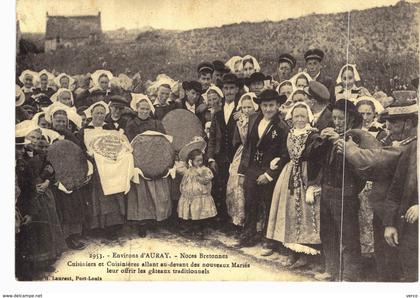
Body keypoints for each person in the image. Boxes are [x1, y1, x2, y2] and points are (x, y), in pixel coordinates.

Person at [342, 97, 418, 281]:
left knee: (399, 266)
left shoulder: (411, 144)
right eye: (387, 122)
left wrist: (350, 149)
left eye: (394, 122)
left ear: (409, 122)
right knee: (385, 262)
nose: (388, 126)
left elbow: (375, 160)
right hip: (386, 210)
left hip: (401, 214)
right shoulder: (395, 139)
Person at [309, 99, 365, 281]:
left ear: (350, 119)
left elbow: (361, 167)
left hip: (345, 193)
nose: (337, 122)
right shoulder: (328, 136)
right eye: (335, 118)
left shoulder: (357, 137)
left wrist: (342, 142)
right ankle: (331, 270)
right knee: (328, 232)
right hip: (327, 190)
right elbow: (310, 157)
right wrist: (321, 140)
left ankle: (349, 274)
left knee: (348, 235)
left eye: (342, 118)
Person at [266, 102, 321, 266]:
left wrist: (312, 182)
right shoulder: (289, 133)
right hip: (289, 174)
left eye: (303, 116)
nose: (299, 119)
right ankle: (292, 251)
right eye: (296, 116)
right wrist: (279, 159)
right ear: (292, 117)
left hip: (306, 174)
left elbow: (315, 159)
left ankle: (306, 254)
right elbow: (285, 153)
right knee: (289, 212)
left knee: (305, 214)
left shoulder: (313, 135)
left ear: (308, 117)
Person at [236, 89, 289, 248]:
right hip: (252, 168)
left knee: (267, 203)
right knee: (250, 201)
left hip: (268, 170)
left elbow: (284, 154)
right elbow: (248, 148)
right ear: (260, 106)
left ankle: (268, 236)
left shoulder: (282, 126)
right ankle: (249, 233)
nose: (268, 109)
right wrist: (242, 171)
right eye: (265, 105)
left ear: (278, 105)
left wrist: (269, 174)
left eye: (271, 105)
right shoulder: (253, 119)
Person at [125, 94, 172, 237]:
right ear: (137, 109)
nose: (144, 111)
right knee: (142, 195)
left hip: (156, 162)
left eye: (147, 109)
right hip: (140, 163)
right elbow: (129, 144)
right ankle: (142, 224)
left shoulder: (157, 123)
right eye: (142, 109)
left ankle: (155, 221)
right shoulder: (131, 124)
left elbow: (164, 142)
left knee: (156, 194)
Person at [78, 101, 126, 240]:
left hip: (110, 169)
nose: (99, 115)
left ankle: (111, 226)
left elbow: (117, 145)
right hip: (94, 169)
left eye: (101, 113)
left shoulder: (110, 128)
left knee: (111, 196)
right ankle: (96, 226)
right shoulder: (84, 131)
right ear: (91, 114)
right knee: (96, 197)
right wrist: (89, 157)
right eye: (96, 113)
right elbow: (80, 149)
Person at [208, 73, 241, 226]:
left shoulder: (241, 110)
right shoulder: (217, 113)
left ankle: (234, 220)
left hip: (235, 156)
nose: (228, 91)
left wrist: (242, 118)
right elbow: (212, 137)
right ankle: (221, 218)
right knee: (220, 187)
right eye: (226, 88)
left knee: (234, 188)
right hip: (220, 156)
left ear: (237, 89)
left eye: (231, 88)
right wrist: (211, 158)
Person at [226, 92, 258, 233]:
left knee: (248, 188)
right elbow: (236, 140)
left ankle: (251, 224)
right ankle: (237, 220)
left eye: (249, 107)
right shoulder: (240, 121)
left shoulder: (258, 120)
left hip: (253, 153)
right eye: (244, 107)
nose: (246, 110)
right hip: (242, 153)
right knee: (234, 184)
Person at [177, 137, 217, 238]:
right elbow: (179, 170)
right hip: (190, 195)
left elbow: (207, 179)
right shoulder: (188, 170)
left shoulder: (204, 170)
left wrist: (199, 174)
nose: (199, 163)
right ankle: (188, 228)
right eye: (197, 161)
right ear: (191, 161)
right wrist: (190, 167)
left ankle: (199, 229)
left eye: (201, 160)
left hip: (200, 195)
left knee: (199, 212)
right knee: (190, 212)